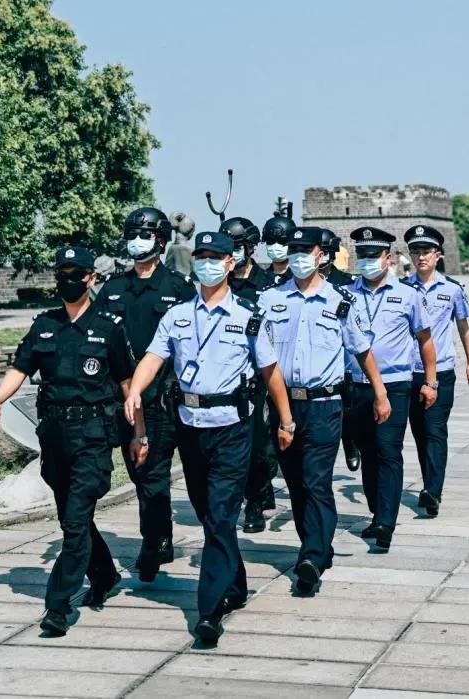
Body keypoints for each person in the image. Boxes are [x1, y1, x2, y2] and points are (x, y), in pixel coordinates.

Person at [124, 230, 294, 645]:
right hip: (189, 427)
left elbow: (271, 373)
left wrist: (285, 421)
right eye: (200, 256)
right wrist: (134, 390)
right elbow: (153, 356)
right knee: (207, 513)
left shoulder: (249, 317)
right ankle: (235, 583)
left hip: (233, 428)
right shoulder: (178, 315)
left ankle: (208, 610)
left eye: (215, 256)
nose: (207, 263)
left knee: (220, 515)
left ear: (230, 263)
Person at [0, 246, 146, 637]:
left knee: (74, 523)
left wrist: (139, 433)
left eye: (76, 273)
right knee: (73, 519)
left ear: (91, 278)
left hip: (92, 437)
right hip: (54, 438)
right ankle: (105, 574)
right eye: (62, 272)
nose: (68, 279)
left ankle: (57, 606)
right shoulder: (44, 325)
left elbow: (129, 386)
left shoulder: (109, 326)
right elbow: (19, 369)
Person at [258, 226, 390, 593]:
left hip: (325, 405)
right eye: (294, 249)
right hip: (284, 405)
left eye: (306, 249)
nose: (298, 256)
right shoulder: (270, 300)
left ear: (322, 255)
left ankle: (312, 556)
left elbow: (362, 350)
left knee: (317, 480)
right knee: (297, 482)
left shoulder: (340, 300)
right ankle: (315, 545)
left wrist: (380, 392)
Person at [95, 207, 196, 582]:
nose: (138, 241)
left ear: (161, 241)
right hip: (124, 399)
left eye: (146, 235)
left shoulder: (177, 288)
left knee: (153, 474)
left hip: (164, 399)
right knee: (140, 473)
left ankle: (152, 542)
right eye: (133, 234)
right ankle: (159, 534)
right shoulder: (114, 288)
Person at [345, 227, 437, 551]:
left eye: (374, 255)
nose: (367, 261)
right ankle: (376, 511)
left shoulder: (408, 296)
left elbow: (425, 340)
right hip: (356, 385)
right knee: (368, 452)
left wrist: (430, 381)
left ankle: (386, 522)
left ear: (388, 258)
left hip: (396, 384)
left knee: (388, 450)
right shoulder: (345, 294)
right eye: (362, 255)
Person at [404, 226, 469, 519]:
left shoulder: (453, 289)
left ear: (438, 255)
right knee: (420, 433)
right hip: (409, 373)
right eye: (416, 252)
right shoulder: (402, 289)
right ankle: (428, 482)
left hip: (442, 371)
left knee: (435, 430)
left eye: (426, 252)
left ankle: (433, 490)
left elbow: (463, 326)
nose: (421, 257)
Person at [223, 216, 278, 533]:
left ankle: (259, 494)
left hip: (266, 371)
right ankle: (252, 500)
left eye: (237, 246)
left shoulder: (268, 284)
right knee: (245, 443)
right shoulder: (222, 284)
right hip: (234, 375)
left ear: (251, 248)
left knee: (265, 446)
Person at [319, 228, 360, 472]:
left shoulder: (347, 285)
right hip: (316, 360)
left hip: (344, 362)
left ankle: (351, 443)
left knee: (348, 410)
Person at [262, 214, 295, 285]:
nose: (276, 246)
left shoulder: (300, 278)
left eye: (282, 241)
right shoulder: (259, 278)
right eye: (271, 241)